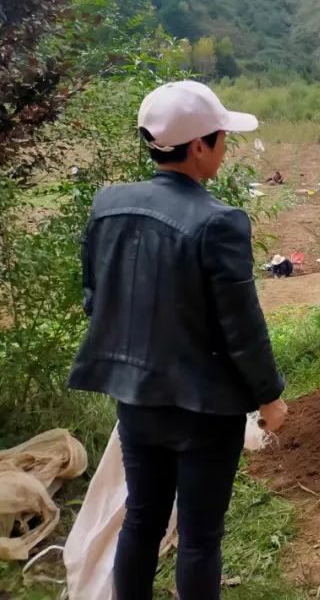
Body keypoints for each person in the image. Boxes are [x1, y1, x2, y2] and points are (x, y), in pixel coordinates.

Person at [69, 80, 288, 600]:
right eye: (221, 138)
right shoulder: (220, 222)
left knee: (142, 521)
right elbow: (242, 327)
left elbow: (95, 297)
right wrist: (270, 397)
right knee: (198, 537)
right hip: (205, 409)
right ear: (198, 147)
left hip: (137, 401)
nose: (225, 148)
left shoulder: (109, 204)